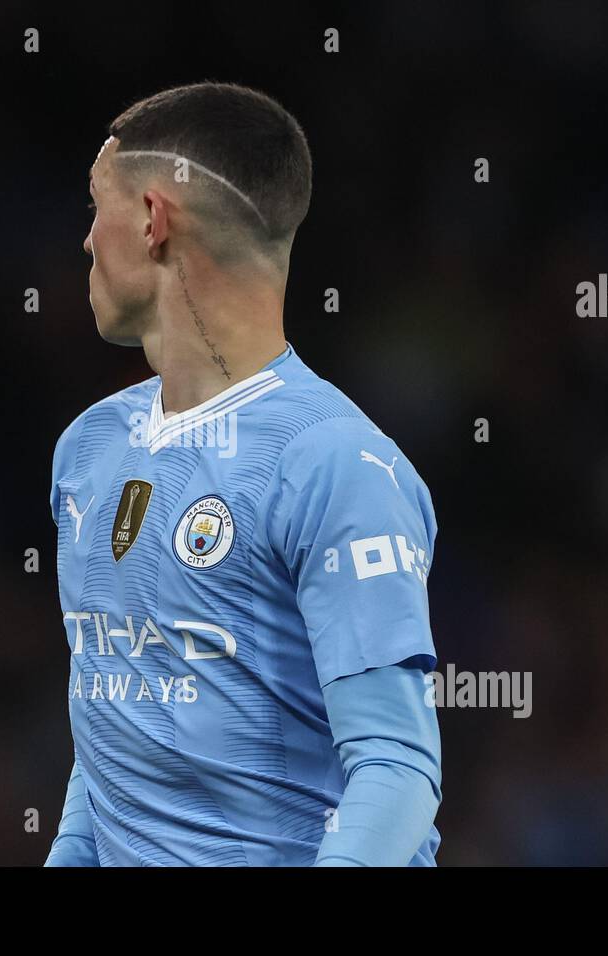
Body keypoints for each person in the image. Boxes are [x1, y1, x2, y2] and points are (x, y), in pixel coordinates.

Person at [46, 81, 441, 866]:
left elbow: (396, 772)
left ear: (154, 220)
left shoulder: (334, 464)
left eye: (99, 207)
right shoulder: (87, 449)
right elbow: (112, 743)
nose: (88, 240)